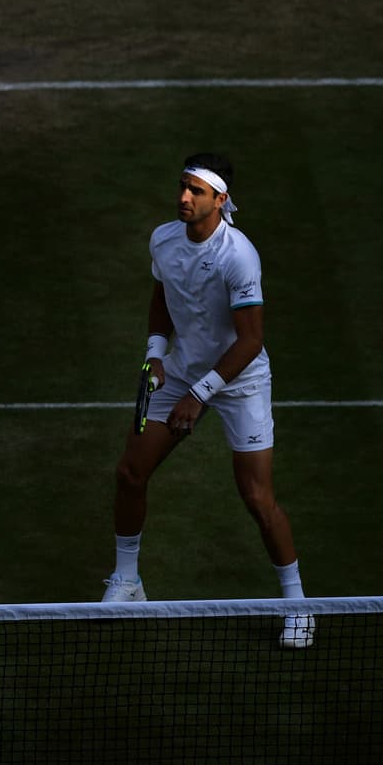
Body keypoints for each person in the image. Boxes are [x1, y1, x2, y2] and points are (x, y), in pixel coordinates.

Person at [101, 152, 314, 649]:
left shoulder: (238, 255)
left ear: (220, 200)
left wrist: (200, 396)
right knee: (130, 474)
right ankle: (128, 581)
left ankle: (299, 606)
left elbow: (250, 341)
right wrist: (155, 353)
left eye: (196, 191)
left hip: (239, 381)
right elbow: (161, 295)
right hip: (180, 372)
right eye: (182, 186)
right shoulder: (163, 238)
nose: (183, 197)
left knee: (257, 499)